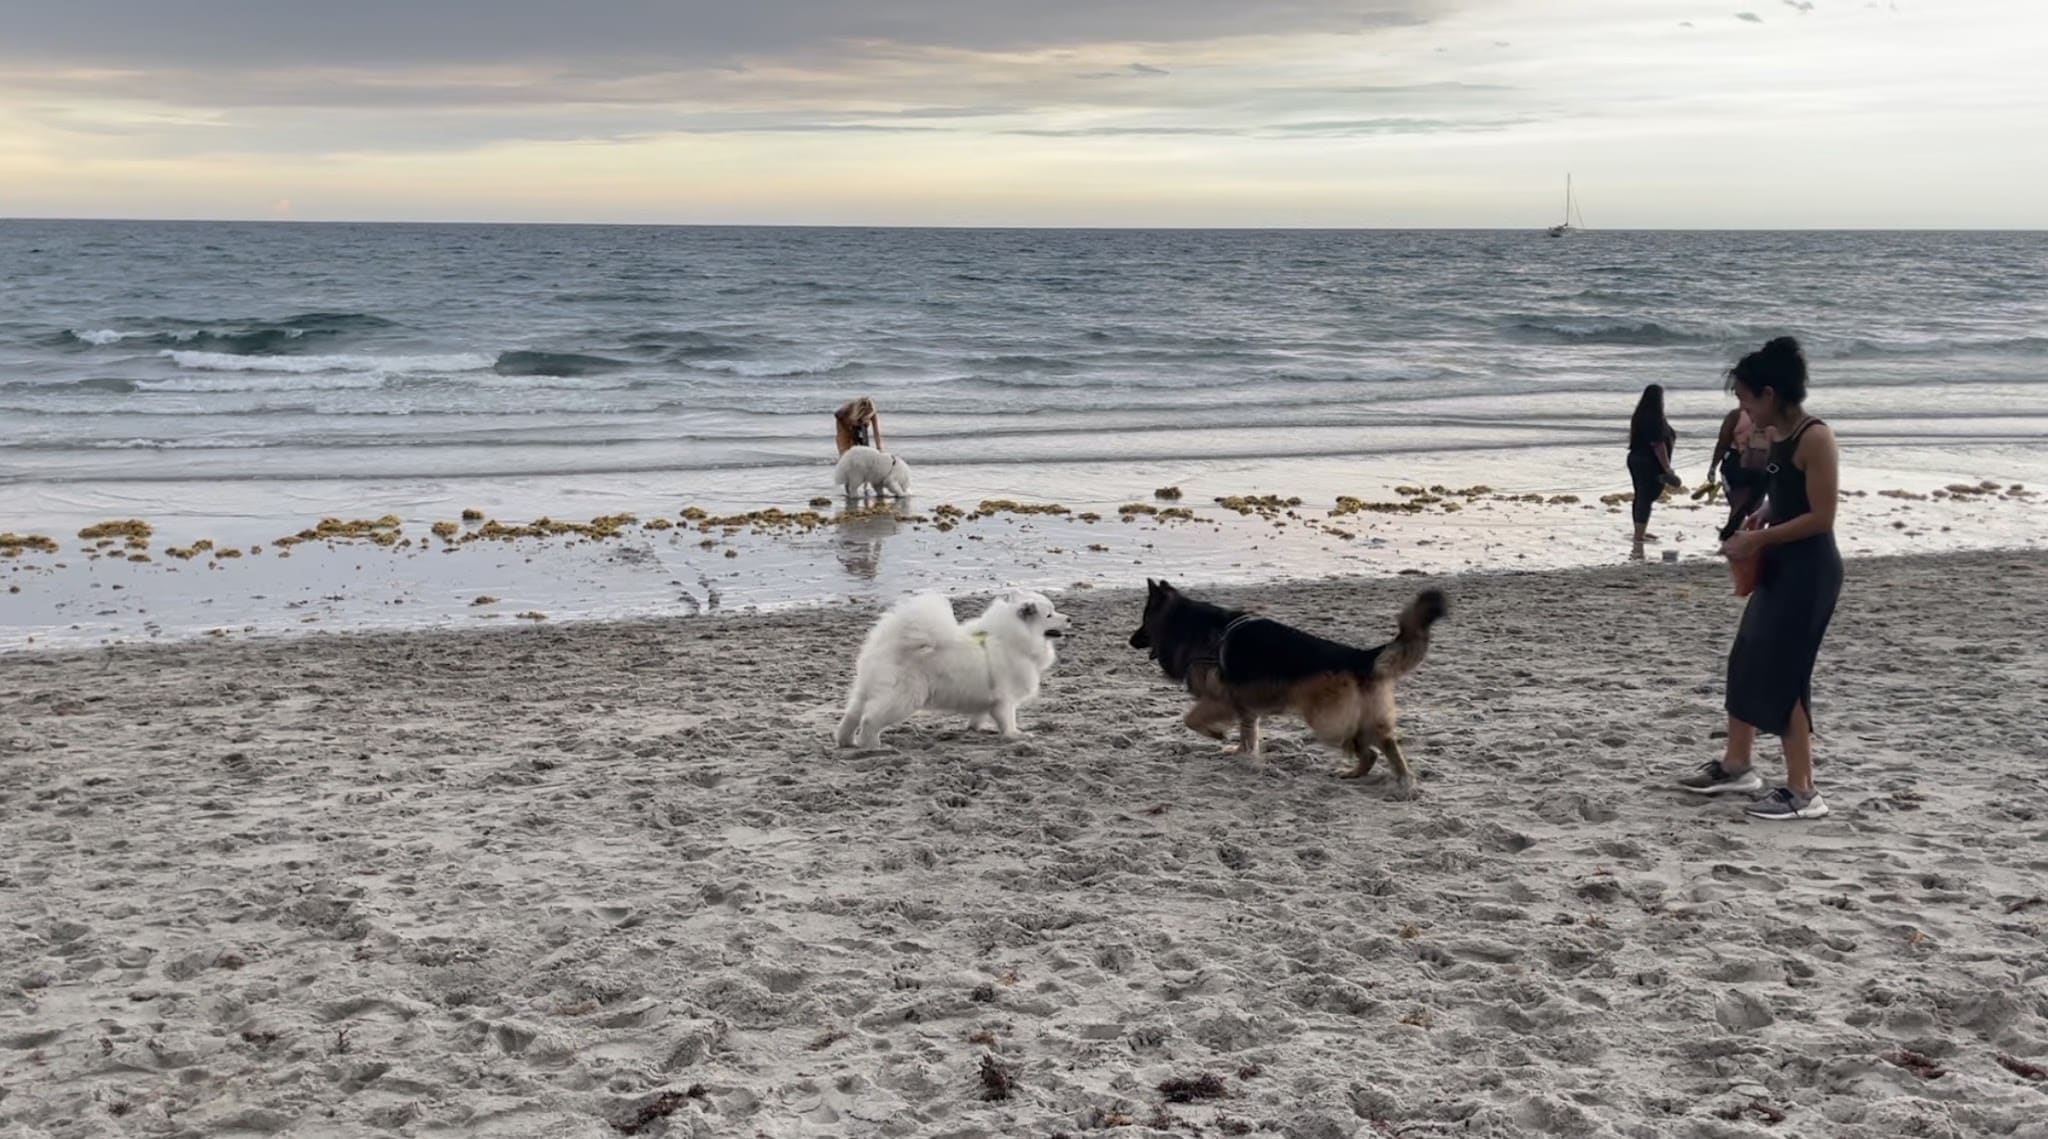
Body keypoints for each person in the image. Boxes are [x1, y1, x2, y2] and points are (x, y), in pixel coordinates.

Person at [1677, 336, 1842, 820]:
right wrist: (1763, 517)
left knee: (1787, 675)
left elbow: (1823, 517)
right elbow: (1789, 497)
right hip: (1782, 567)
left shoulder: (1815, 436)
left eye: (1746, 399)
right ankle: (1738, 765)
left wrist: (1757, 542)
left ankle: (1803, 792)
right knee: (1746, 659)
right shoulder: (1777, 436)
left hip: (1811, 572)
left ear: (1769, 394)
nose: (1743, 410)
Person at [1625, 384, 1682, 544]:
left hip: (1636, 458)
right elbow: (1658, 444)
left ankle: (1640, 531)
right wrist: (1667, 469)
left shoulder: (1640, 415)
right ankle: (1639, 535)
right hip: (1648, 461)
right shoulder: (1654, 418)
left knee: (1642, 495)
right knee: (1646, 496)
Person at [1706, 406, 1770, 541]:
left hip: (1736, 462)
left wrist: (1713, 467)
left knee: (1737, 505)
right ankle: (1756, 541)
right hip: (1763, 464)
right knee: (1755, 507)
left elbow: (1723, 442)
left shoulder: (1735, 416)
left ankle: (1732, 538)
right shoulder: (1771, 414)